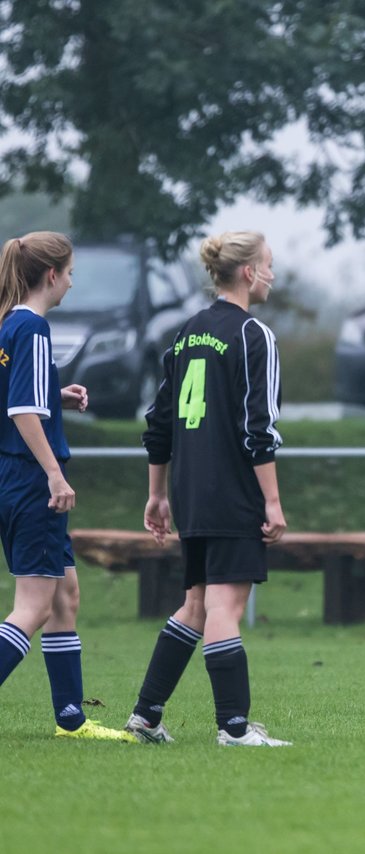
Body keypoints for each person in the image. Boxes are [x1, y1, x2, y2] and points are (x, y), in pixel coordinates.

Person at [122, 231, 291, 747]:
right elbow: (257, 428)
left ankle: (146, 716)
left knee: (195, 604)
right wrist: (273, 501)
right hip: (231, 491)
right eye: (267, 264)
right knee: (223, 608)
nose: (272, 274)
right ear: (247, 273)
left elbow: (159, 422)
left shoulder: (186, 333)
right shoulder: (253, 335)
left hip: (192, 491)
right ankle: (234, 729)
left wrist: (158, 493)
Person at [0, 231, 134, 742]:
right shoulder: (32, 328)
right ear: (51, 275)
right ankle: (71, 720)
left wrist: (55, 395)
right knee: (32, 606)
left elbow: (21, 396)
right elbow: (21, 411)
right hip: (32, 479)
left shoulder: (9, 324)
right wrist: (54, 473)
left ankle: (71, 721)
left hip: (13, 476)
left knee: (65, 597)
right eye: (71, 273)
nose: (73, 284)